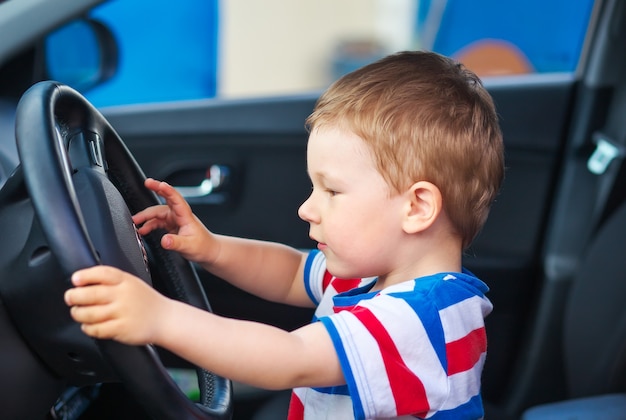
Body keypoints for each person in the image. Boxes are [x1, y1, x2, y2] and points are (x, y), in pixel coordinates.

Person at [64, 50, 504, 419]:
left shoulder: (419, 318)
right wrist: (212, 248)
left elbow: (289, 358)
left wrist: (159, 317)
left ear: (417, 207)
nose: (306, 208)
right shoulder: (374, 277)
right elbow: (291, 271)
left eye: (331, 190)